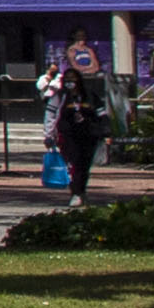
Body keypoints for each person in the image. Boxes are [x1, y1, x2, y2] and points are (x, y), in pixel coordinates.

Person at [49, 42, 111, 197]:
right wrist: (49, 134)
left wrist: (106, 131)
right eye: (67, 80)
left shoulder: (90, 96)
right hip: (69, 136)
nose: (70, 83)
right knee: (73, 164)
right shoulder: (61, 96)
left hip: (88, 135)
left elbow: (102, 113)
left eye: (73, 80)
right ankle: (75, 192)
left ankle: (81, 191)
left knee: (84, 165)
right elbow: (50, 115)